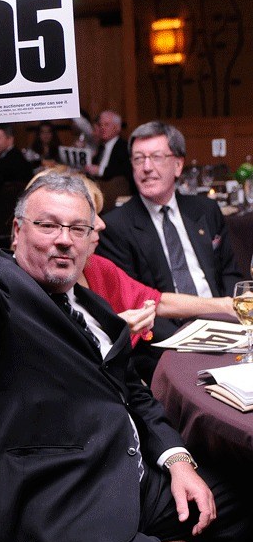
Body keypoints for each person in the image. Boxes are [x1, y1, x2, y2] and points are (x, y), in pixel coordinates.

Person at [0, 96, 251, 542]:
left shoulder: (88, 301)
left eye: (77, 229)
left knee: (244, 500)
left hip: (134, 476)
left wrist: (178, 460)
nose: (64, 240)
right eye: (48, 225)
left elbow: (133, 389)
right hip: (66, 505)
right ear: (17, 231)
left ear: (92, 239)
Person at [97, 120, 243, 382]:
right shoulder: (116, 226)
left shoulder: (205, 210)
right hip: (167, 343)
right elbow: (136, 302)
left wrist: (234, 319)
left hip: (225, 329)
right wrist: (189, 341)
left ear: (177, 165)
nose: (146, 168)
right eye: (138, 159)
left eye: (156, 157)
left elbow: (229, 273)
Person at [27, 170, 237, 351]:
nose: (101, 224)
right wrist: (115, 333)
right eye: (88, 219)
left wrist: (227, 305)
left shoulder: (97, 266)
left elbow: (157, 301)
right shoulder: (33, 283)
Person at [84, 110, 136, 192]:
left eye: (106, 125)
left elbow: (126, 171)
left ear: (117, 128)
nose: (102, 128)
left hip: (116, 189)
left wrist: (100, 170)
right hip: (99, 187)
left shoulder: (125, 147)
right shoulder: (101, 147)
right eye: (100, 125)